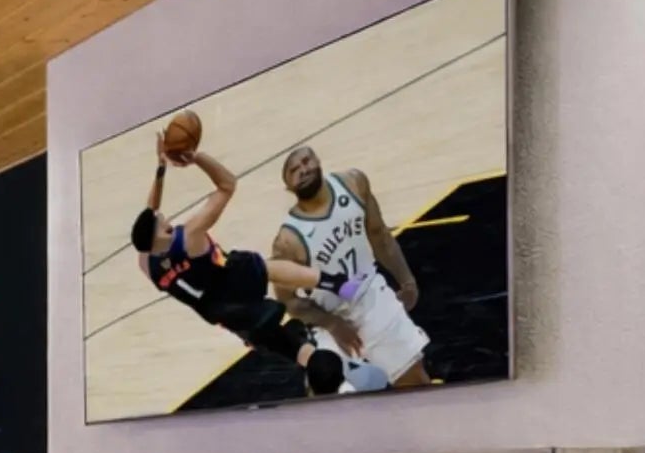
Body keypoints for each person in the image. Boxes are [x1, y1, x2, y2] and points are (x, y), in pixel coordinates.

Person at [132, 146, 362, 396]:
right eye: (159, 218)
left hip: (225, 313)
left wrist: (160, 170)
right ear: (158, 229)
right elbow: (227, 185)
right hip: (234, 278)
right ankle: (337, 284)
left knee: (284, 343)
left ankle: (327, 381)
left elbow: (148, 216)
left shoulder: (148, 265)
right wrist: (196, 157)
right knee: (267, 267)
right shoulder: (189, 236)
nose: (162, 215)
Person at [272, 145, 433, 389]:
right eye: (294, 170)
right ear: (288, 186)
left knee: (416, 384)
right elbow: (288, 301)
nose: (303, 170)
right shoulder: (288, 240)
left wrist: (407, 280)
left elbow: (380, 236)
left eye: (306, 161)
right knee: (329, 394)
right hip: (329, 316)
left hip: (372, 297)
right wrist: (332, 323)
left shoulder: (353, 184)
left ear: (318, 161)